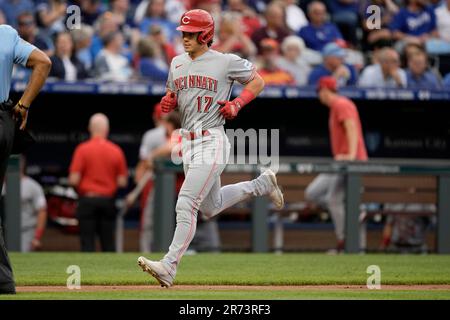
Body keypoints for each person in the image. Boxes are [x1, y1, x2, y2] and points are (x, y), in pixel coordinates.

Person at [137, 9, 284, 288]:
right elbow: (174, 95)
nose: (185, 38)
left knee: (186, 202)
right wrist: (169, 102)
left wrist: (237, 104)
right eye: (183, 33)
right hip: (188, 143)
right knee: (210, 207)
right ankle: (262, 185)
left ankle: (168, 266)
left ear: (205, 35)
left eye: (191, 33)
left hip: (212, 140)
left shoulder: (225, 61)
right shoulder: (177, 63)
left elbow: (258, 81)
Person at [0, 24, 51, 294]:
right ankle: (3, 280)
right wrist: (23, 104)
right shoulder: (6, 34)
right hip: (4, 122)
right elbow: (43, 62)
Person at [305, 76, 368, 254]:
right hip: (340, 162)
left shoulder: (342, 104)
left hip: (350, 162)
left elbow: (351, 128)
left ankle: (344, 241)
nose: (319, 96)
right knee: (312, 193)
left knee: (333, 199)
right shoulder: (335, 107)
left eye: (319, 92)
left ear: (325, 90)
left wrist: (351, 155)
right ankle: (354, 213)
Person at [69, 113, 128, 252]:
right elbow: (122, 181)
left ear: (90, 128)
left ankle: (87, 273)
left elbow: (73, 179)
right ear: (106, 130)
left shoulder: (82, 149)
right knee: (108, 245)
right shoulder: (116, 151)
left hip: (87, 200)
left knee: (87, 244)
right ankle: (111, 273)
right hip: (107, 201)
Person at [134, 103, 167, 252]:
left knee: (147, 224)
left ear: (155, 116)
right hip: (175, 185)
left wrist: (138, 187)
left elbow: (144, 164)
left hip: (153, 183)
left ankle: (145, 254)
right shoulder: (181, 132)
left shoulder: (151, 134)